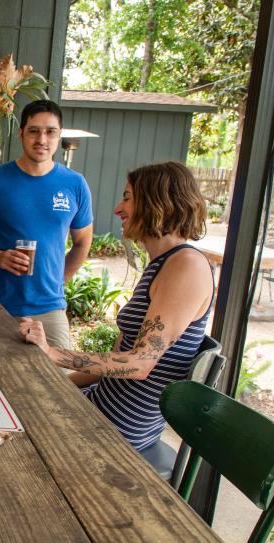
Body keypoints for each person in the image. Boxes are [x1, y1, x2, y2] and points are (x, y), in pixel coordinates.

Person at [21, 161, 213, 451]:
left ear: (155, 202)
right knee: (13, 402)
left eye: (127, 197)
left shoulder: (187, 266)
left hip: (116, 431)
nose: (118, 209)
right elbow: (116, 359)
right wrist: (59, 387)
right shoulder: (162, 265)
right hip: (97, 406)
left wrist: (53, 353)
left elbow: (139, 364)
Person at [0, 99, 93, 348]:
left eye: (50, 131)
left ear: (59, 135)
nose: (42, 139)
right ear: (21, 134)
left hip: (51, 310)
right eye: (34, 131)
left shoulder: (75, 184)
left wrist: (60, 280)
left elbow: (83, 242)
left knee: (57, 383)